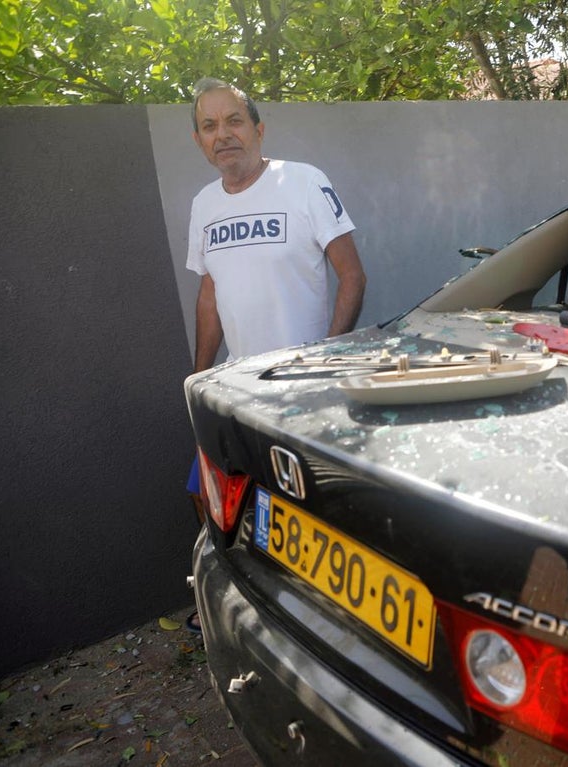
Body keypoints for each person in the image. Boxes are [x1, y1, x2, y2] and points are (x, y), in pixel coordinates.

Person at [183, 77, 367, 633]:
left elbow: (352, 276)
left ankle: (317, 621)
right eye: (210, 126)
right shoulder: (204, 205)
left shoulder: (303, 183)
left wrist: (327, 359)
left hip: (309, 390)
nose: (224, 135)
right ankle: (243, 591)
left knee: (310, 511)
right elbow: (211, 291)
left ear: (258, 129)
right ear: (200, 141)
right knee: (206, 489)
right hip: (241, 387)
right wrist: (200, 377)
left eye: (234, 121)